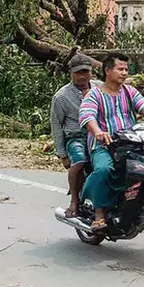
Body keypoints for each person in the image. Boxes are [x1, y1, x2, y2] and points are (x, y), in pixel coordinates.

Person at [79, 52, 144, 232]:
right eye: (120, 69)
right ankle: (99, 214)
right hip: (104, 146)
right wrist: (98, 132)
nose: (124, 73)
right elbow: (87, 116)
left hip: (131, 143)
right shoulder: (94, 95)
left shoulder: (129, 92)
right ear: (108, 71)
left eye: (126, 69)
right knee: (104, 169)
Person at [50, 53, 100, 218]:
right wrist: (62, 154)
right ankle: (74, 201)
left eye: (85, 72)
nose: (82, 76)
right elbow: (56, 125)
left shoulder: (100, 89)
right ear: (70, 73)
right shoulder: (61, 97)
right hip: (76, 137)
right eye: (78, 72)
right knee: (78, 161)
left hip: (99, 135)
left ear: (91, 72)